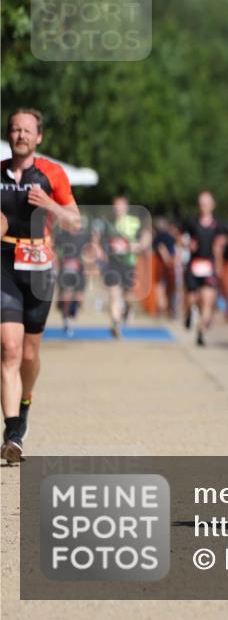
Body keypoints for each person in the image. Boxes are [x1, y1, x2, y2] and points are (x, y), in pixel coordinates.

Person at [1, 108, 81, 462]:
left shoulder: (52, 174)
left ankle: (25, 402)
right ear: (9, 135)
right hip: (3, 265)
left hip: (38, 268)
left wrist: (50, 204)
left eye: (27, 131)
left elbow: (75, 222)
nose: (20, 135)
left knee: (29, 354)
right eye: (15, 130)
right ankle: (13, 432)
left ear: (39, 137)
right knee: (9, 348)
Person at [99, 193, 147, 338]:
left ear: (126, 207)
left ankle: (127, 309)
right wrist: (101, 252)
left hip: (129, 264)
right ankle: (115, 324)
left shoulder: (134, 222)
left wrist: (137, 246)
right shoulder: (108, 223)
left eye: (121, 205)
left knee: (128, 296)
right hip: (113, 265)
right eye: (115, 206)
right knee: (114, 294)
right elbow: (101, 242)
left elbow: (145, 237)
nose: (118, 208)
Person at [182, 191, 224, 346]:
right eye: (201, 203)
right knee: (192, 299)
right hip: (194, 266)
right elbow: (180, 237)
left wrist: (219, 266)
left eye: (206, 203)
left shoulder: (218, 225)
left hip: (208, 266)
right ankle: (188, 313)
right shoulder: (191, 223)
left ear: (212, 205)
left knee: (207, 301)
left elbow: (219, 247)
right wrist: (187, 244)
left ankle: (200, 330)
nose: (203, 206)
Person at [53, 212, 92, 336]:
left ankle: (71, 314)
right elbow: (54, 251)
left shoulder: (84, 236)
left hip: (80, 271)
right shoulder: (61, 236)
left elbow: (90, 251)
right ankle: (66, 320)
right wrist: (56, 266)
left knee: (79, 299)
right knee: (66, 298)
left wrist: (88, 264)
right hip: (65, 270)